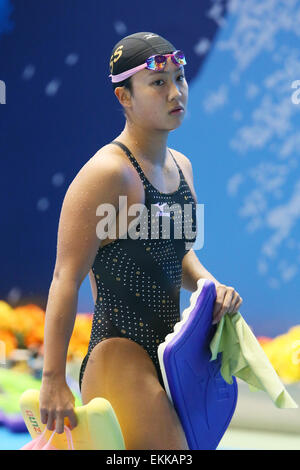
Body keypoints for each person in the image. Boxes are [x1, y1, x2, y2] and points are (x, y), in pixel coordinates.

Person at [39, 32, 243, 450]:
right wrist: (52, 380)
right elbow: (65, 277)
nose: (176, 91)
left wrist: (210, 286)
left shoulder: (181, 167)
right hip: (119, 354)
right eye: (158, 83)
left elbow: (177, 253)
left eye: (180, 78)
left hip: (172, 356)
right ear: (124, 98)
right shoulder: (108, 174)